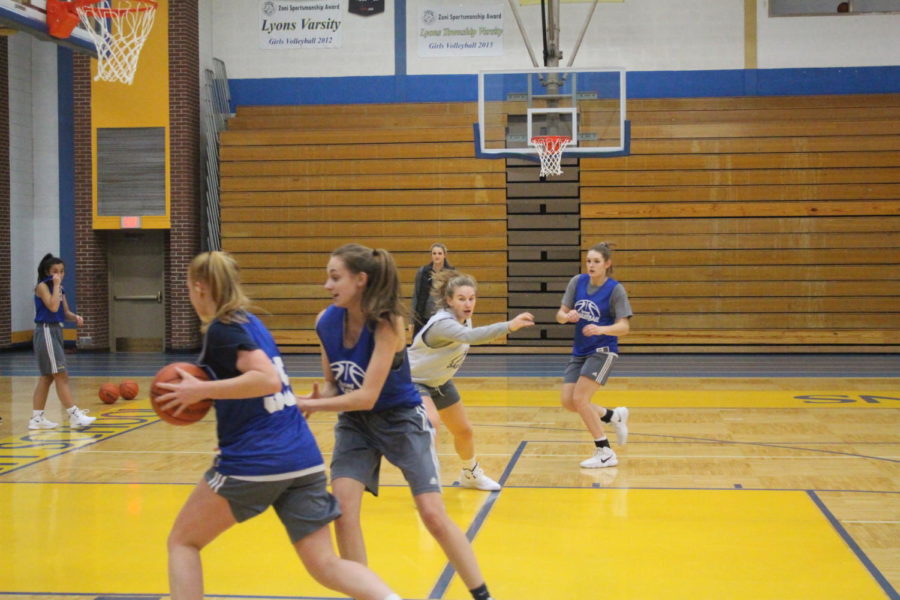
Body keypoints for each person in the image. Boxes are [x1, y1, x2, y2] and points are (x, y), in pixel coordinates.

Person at [156, 251, 400, 600]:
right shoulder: (251, 323)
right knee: (326, 565)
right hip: (302, 458)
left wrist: (200, 389)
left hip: (256, 462)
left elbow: (266, 379)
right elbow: (260, 392)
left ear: (198, 288)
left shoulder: (222, 331)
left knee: (183, 541)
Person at [299, 243, 497, 600]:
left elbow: (368, 395)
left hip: (402, 420)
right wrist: (317, 399)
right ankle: (367, 595)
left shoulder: (389, 323)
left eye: (334, 277)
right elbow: (334, 382)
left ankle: (482, 594)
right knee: (342, 512)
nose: (327, 285)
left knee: (433, 515)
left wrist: (305, 404)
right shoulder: (324, 321)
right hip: (355, 424)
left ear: (360, 280)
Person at [408, 269, 534, 491]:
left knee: (464, 431)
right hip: (414, 381)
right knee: (432, 423)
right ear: (449, 300)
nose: (468, 304)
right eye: (461, 299)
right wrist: (509, 326)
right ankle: (428, 484)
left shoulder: (464, 319)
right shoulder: (442, 323)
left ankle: (470, 474)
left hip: (439, 381)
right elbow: (470, 337)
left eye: (471, 298)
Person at [556, 242, 633, 469]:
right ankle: (612, 416)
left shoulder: (615, 290)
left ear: (607, 264)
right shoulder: (577, 282)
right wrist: (566, 316)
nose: (591, 265)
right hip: (580, 351)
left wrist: (601, 329)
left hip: (603, 350)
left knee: (580, 399)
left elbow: (624, 327)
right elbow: (559, 315)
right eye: (588, 261)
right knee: (569, 402)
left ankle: (604, 451)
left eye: (596, 261)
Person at [29, 253, 96, 430]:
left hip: (56, 330)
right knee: (61, 375)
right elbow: (52, 306)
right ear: (47, 272)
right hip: (46, 330)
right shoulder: (42, 287)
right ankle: (74, 415)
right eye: (55, 271)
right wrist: (56, 285)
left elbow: (63, 311)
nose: (59, 274)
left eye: (62, 271)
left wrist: (75, 317)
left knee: (47, 377)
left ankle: (36, 418)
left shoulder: (61, 289)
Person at [411, 242, 452, 337]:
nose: (437, 256)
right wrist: (412, 320)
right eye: (434, 253)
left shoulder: (451, 273)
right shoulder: (422, 272)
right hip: (424, 316)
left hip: (443, 316)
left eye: (439, 253)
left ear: (444, 255)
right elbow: (416, 295)